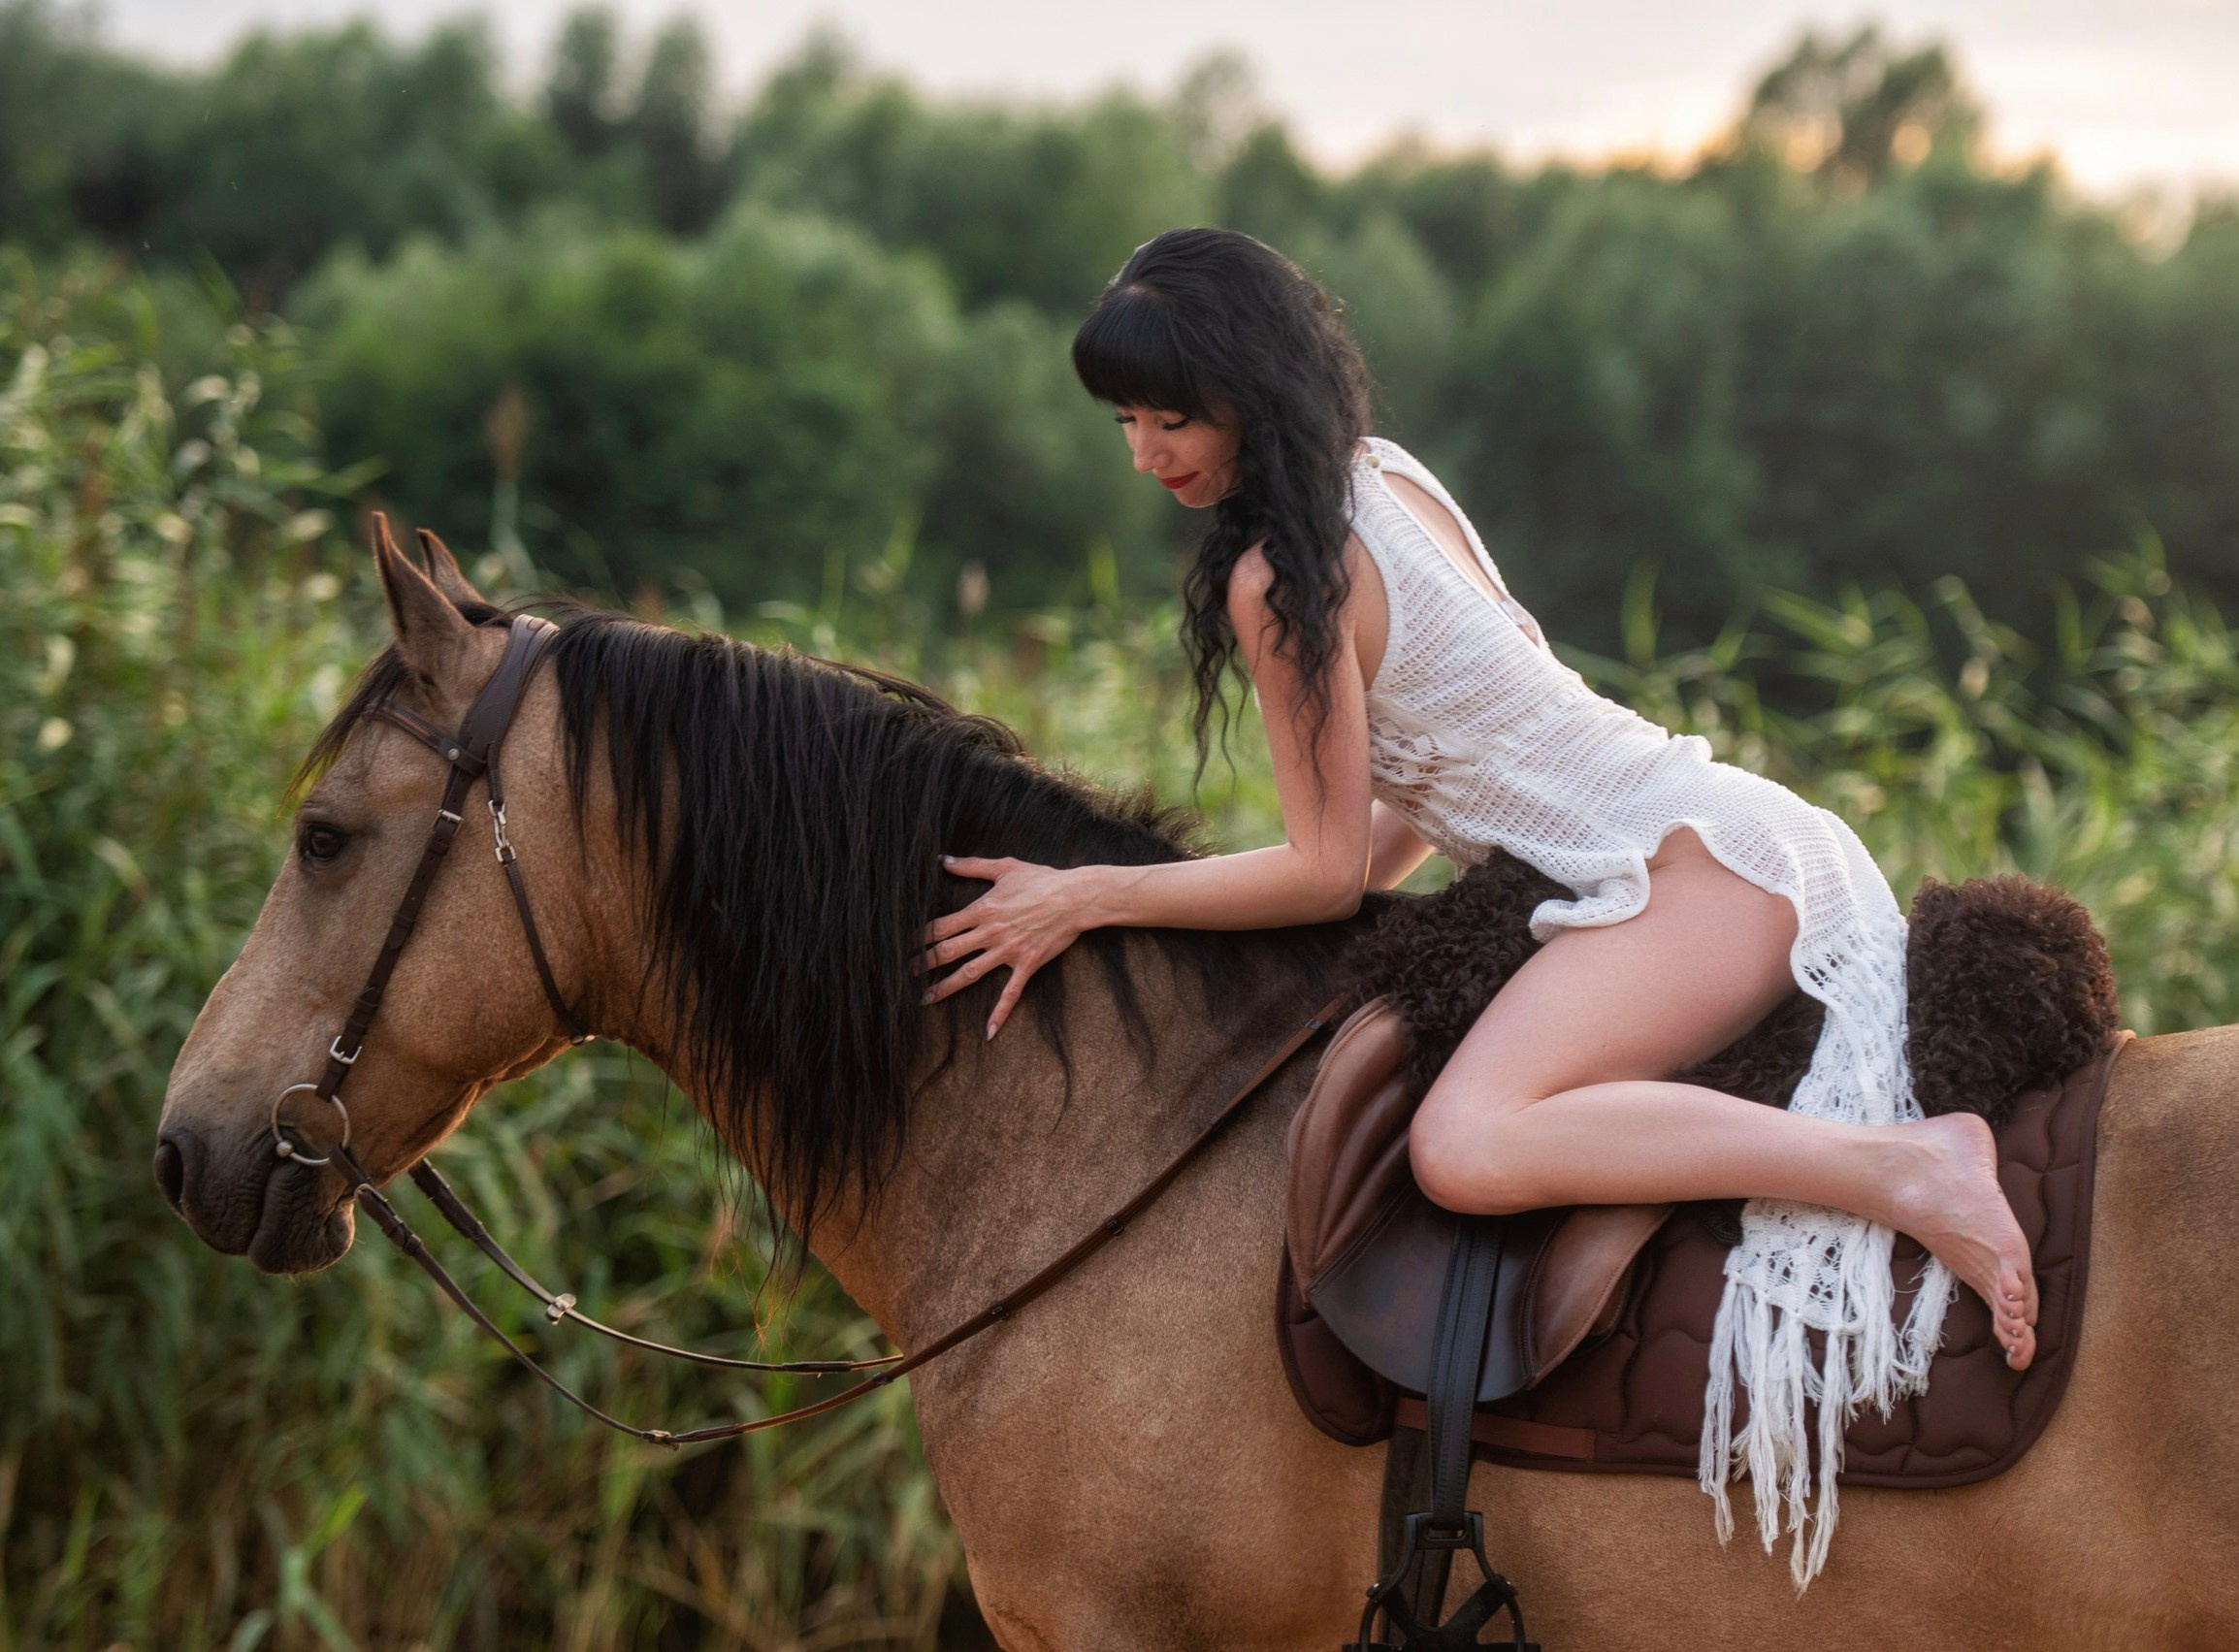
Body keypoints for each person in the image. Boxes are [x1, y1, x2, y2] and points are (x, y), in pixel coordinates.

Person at [916, 226, 2033, 1575]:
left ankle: (1906, 1168)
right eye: (1126, 423)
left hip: (1686, 876)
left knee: (1467, 1143)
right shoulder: (1387, 476)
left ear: (1250, 393)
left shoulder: (1284, 581)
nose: (1147, 457)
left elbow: (1324, 870)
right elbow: (1447, 773)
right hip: (1732, 831)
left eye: (1174, 419)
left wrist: (1086, 897)